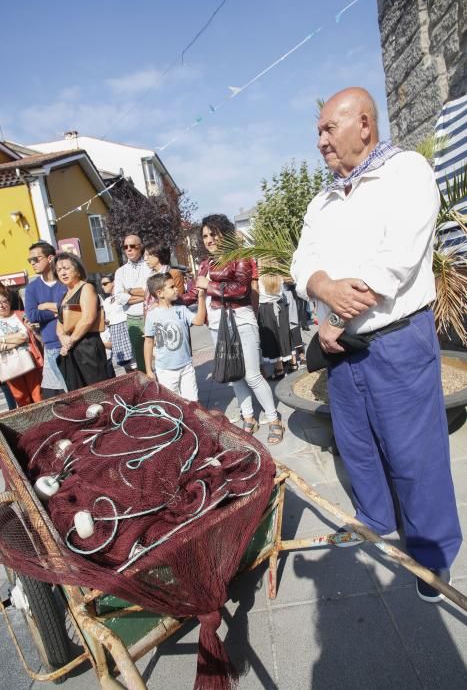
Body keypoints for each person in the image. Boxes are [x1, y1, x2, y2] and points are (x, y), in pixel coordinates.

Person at [291, 86, 462, 603]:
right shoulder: (324, 199)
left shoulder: (405, 172)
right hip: (341, 345)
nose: (319, 139)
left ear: (364, 125)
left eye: (328, 128)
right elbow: (302, 263)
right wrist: (323, 297)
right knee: (358, 445)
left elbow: (399, 257)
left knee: (415, 456)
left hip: (395, 342)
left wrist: (340, 309)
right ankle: (374, 520)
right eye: (318, 130)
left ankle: (431, 558)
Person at [183, 214, 284, 445]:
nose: (208, 239)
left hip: (240, 319)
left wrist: (209, 285)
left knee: (252, 374)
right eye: (205, 236)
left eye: (213, 234)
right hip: (217, 323)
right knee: (234, 375)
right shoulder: (205, 264)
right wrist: (167, 298)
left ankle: (274, 419)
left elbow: (239, 289)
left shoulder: (241, 257)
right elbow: (192, 293)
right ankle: (248, 417)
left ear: (225, 233)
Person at [144, 273, 206, 401]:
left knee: (192, 402)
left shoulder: (181, 310)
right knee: (173, 404)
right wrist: (149, 370)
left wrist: (201, 297)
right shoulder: (152, 315)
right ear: (160, 293)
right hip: (165, 371)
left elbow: (199, 321)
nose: (176, 289)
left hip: (186, 366)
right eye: (172, 287)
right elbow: (148, 342)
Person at [54, 253, 108, 391]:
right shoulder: (64, 295)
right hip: (71, 349)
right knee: (79, 392)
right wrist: (62, 338)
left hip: (88, 346)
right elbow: (60, 323)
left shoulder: (86, 288)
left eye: (66, 268)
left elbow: (88, 318)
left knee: (98, 391)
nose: (62, 272)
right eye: (59, 270)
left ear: (77, 269)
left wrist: (70, 341)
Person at [24, 240, 67, 398]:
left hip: (73, 341)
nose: (32, 263)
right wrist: (57, 310)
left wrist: (48, 305)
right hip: (52, 346)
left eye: (36, 259)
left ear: (50, 258)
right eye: (30, 260)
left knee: (80, 388)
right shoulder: (31, 288)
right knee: (61, 394)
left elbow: (74, 307)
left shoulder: (65, 280)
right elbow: (32, 315)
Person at [114, 234, 152, 371]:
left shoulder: (150, 266)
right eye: (125, 247)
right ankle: (147, 390)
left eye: (132, 246)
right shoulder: (120, 272)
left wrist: (128, 291)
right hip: (133, 320)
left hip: (152, 315)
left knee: (159, 354)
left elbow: (153, 290)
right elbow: (118, 297)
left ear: (140, 247)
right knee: (141, 359)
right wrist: (144, 294)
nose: (129, 250)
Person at [0, 285, 42, 406]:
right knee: (21, 398)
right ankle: (30, 424)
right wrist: (17, 337)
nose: (2, 305)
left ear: (9, 301)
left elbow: (27, 336)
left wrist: (3, 340)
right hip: (8, 364)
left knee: (38, 394)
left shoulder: (21, 315)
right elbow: (22, 337)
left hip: (31, 360)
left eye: (4, 301)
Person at [257, 271, 292, 380]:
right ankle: (290, 363)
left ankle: (279, 370)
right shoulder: (279, 276)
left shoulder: (260, 278)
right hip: (280, 307)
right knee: (283, 336)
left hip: (266, 309)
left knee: (271, 339)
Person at [101, 274, 135, 373]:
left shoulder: (122, 295)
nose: (103, 286)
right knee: (125, 363)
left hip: (124, 328)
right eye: (102, 284)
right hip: (114, 331)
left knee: (134, 361)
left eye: (105, 283)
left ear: (113, 283)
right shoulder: (107, 300)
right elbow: (107, 317)